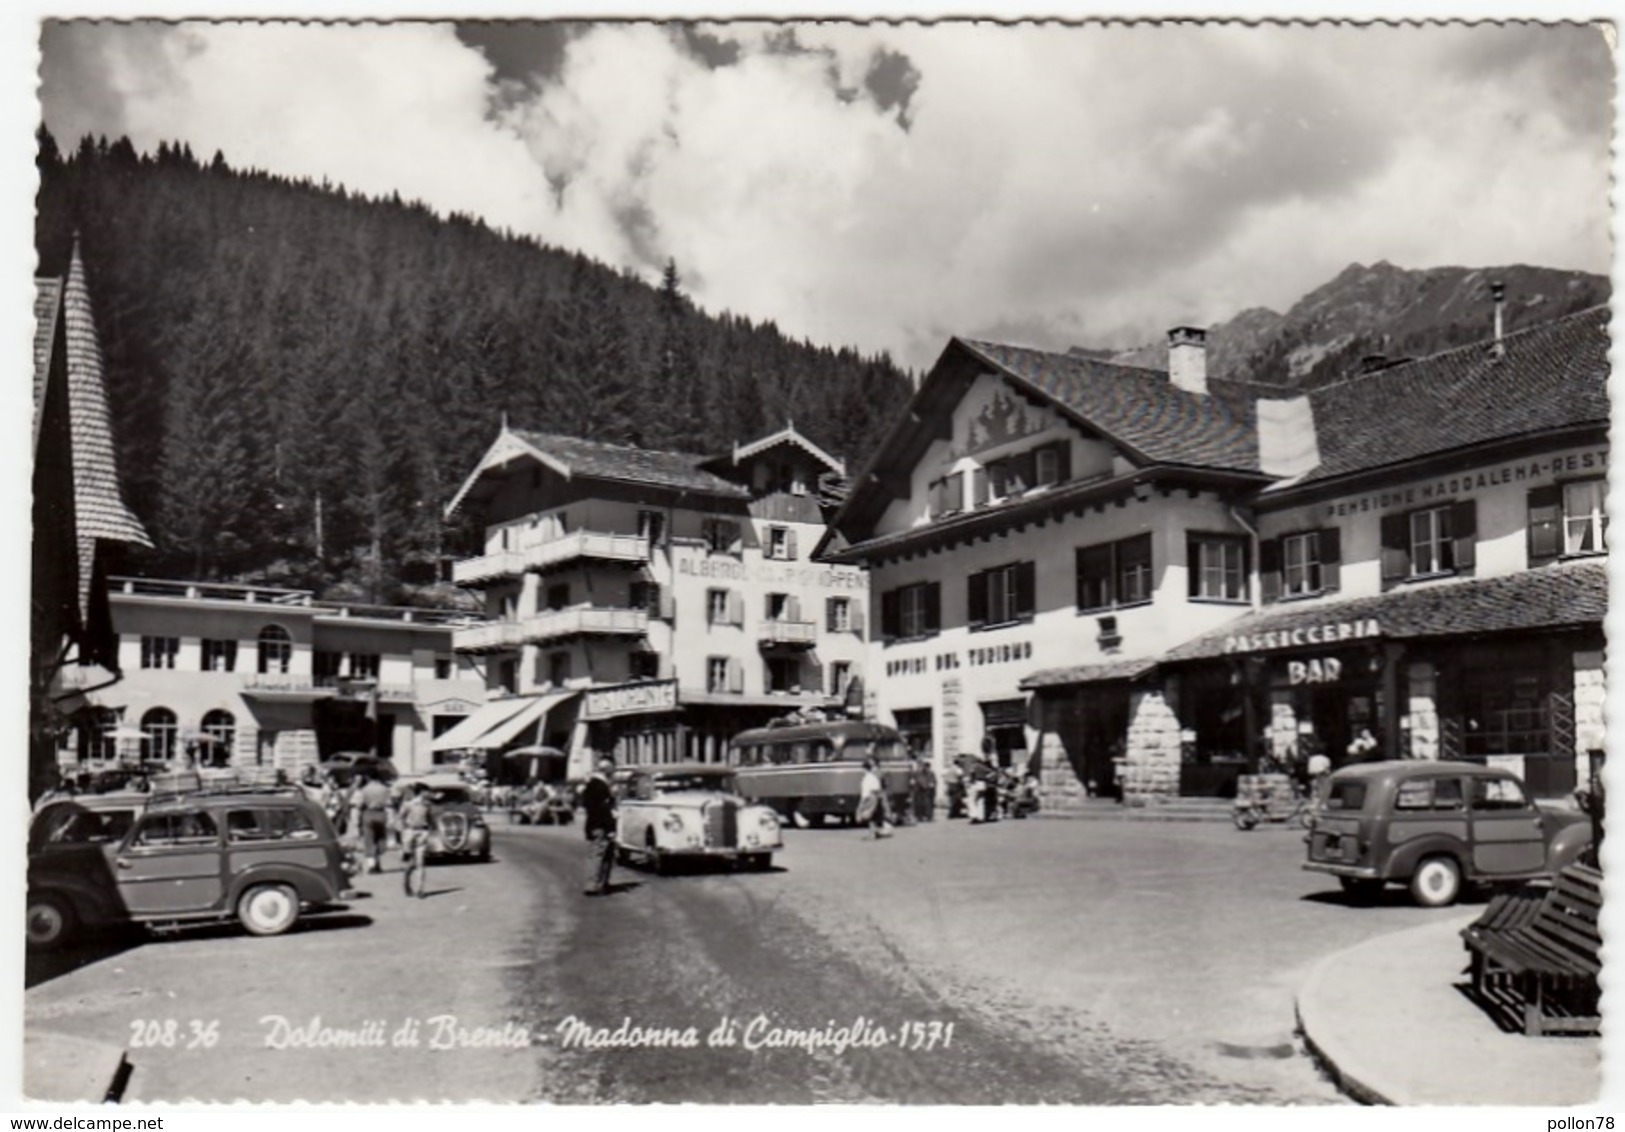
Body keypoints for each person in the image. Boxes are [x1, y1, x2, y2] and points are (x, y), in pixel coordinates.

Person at [580, 754, 618, 895]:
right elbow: (604, 810)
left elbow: (588, 806)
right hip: (602, 826)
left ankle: (598, 883)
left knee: (597, 854)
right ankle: (595, 884)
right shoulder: (602, 787)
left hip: (592, 824)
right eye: (612, 770)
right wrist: (610, 828)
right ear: (607, 770)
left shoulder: (590, 785)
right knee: (600, 855)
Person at [398, 781, 439, 898]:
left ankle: (420, 889)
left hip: (422, 832)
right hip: (410, 832)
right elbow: (400, 818)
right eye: (426, 791)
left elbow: (431, 819)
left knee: (420, 862)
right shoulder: (409, 804)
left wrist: (432, 829)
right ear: (421, 792)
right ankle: (406, 882)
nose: (428, 794)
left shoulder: (427, 805)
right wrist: (403, 832)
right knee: (410, 863)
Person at [355, 772, 393, 874]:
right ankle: (378, 862)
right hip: (381, 814)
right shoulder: (385, 789)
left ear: (368, 777)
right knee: (380, 838)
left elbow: (359, 805)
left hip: (368, 814)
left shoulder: (364, 789)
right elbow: (389, 803)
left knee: (369, 839)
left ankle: (372, 865)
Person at [856, 756, 892, 838]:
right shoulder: (873, 776)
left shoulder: (867, 778)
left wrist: (861, 805)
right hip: (877, 796)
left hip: (871, 798)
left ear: (864, 769)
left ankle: (873, 833)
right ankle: (874, 832)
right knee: (874, 816)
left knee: (870, 816)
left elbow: (865, 793)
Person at [913, 756, 937, 823]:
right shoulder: (917, 772)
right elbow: (916, 780)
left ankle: (927, 816)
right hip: (920, 790)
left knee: (927, 803)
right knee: (921, 804)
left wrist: (929, 785)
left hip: (926, 790)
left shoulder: (929, 772)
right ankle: (922, 816)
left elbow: (933, 781)